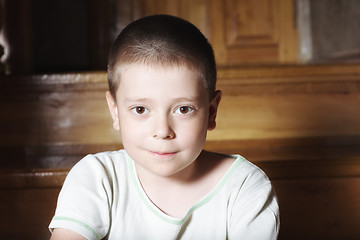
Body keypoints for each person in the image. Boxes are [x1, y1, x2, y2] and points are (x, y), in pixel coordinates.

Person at [49, 14, 279, 240]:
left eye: (183, 109)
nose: (162, 131)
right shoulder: (97, 177)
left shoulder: (244, 186)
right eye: (140, 109)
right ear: (115, 110)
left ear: (211, 112)